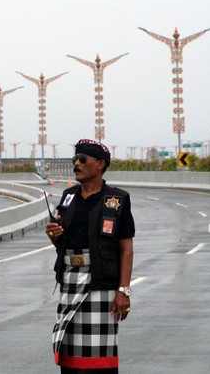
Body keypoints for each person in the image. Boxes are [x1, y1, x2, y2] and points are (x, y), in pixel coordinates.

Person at [46, 139, 135, 373]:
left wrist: (123, 291)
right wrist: (54, 234)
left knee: (100, 362)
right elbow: (62, 240)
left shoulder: (117, 200)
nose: (76, 163)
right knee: (69, 357)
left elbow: (126, 248)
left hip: (101, 285)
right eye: (75, 159)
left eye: (82, 160)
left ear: (100, 164)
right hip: (70, 283)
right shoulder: (68, 196)